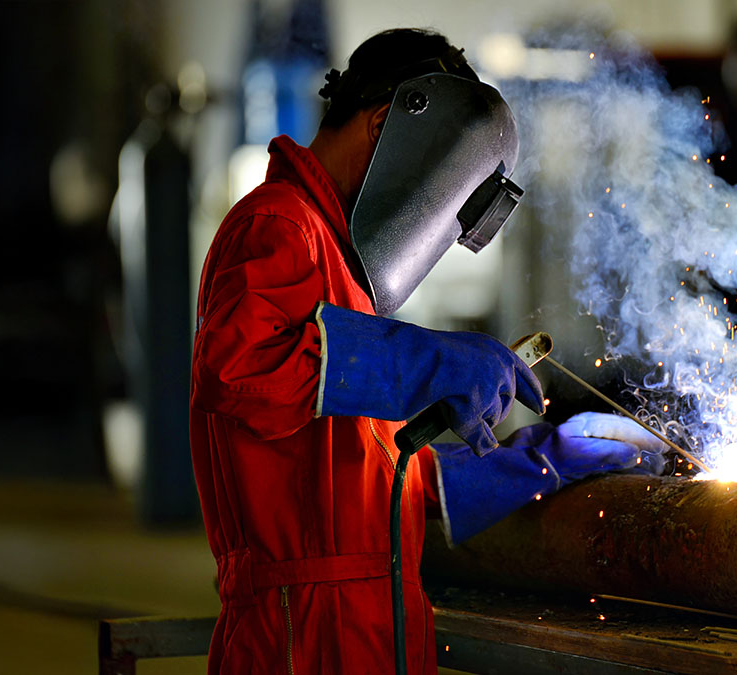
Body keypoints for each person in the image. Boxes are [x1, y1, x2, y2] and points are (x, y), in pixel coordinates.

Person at [191, 28, 665, 674]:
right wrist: (427, 361)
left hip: (371, 624)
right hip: (299, 637)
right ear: (385, 122)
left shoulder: (342, 267)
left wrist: (543, 459)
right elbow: (240, 369)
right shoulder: (278, 223)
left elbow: (381, 478)